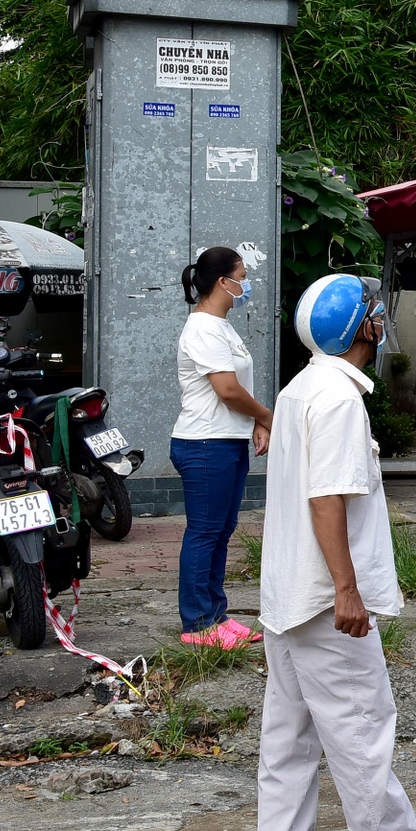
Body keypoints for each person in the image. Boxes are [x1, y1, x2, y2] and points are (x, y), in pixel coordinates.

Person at [256, 274, 416, 831]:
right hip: (323, 597)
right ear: (361, 328)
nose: (380, 318)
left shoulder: (302, 388)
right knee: (362, 719)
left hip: (287, 592)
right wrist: (347, 588)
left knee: (290, 729)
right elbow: (327, 500)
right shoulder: (340, 399)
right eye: (374, 311)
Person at [172, 248, 274, 649]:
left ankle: (216, 615)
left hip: (225, 441)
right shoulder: (202, 329)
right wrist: (268, 417)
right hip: (203, 444)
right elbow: (228, 390)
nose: (246, 284)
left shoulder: (222, 326)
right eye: (242, 276)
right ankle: (197, 624)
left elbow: (236, 392)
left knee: (220, 532)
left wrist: (253, 424)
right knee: (205, 533)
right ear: (222, 282)